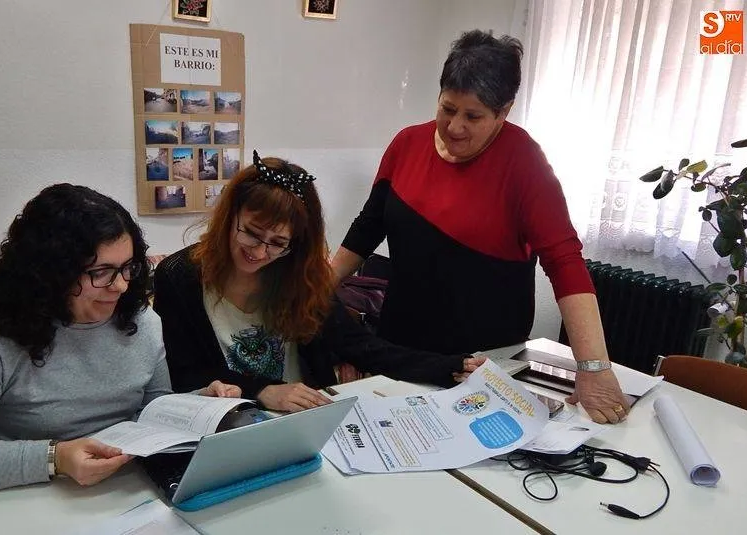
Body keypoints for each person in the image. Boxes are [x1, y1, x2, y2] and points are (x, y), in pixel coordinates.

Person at [330, 30, 630, 425]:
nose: (454, 127)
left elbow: (565, 264)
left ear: (504, 112)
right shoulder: (406, 144)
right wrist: (317, 285)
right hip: (402, 343)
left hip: (484, 358)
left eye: (473, 117)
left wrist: (593, 368)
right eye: (447, 109)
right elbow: (368, 227)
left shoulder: (525, 164)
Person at [0, 183, 237, 496]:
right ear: (51, 273)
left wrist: (196, 404)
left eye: (128, 267)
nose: (120, 286)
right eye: (101, 272)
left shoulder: (142, 323)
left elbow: (151, 411)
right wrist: (55, 458)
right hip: (26, 494)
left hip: (121, 491)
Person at [153, 152, 485, 412]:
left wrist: (451, 366)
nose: (259, 252)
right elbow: (184, 376)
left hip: (306, 418)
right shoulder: (180, 278)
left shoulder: (299, 276)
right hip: (230, 423)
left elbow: (364, 347)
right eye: (250, 233)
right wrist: (263, 390)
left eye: (278, 242)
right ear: (228, 218)